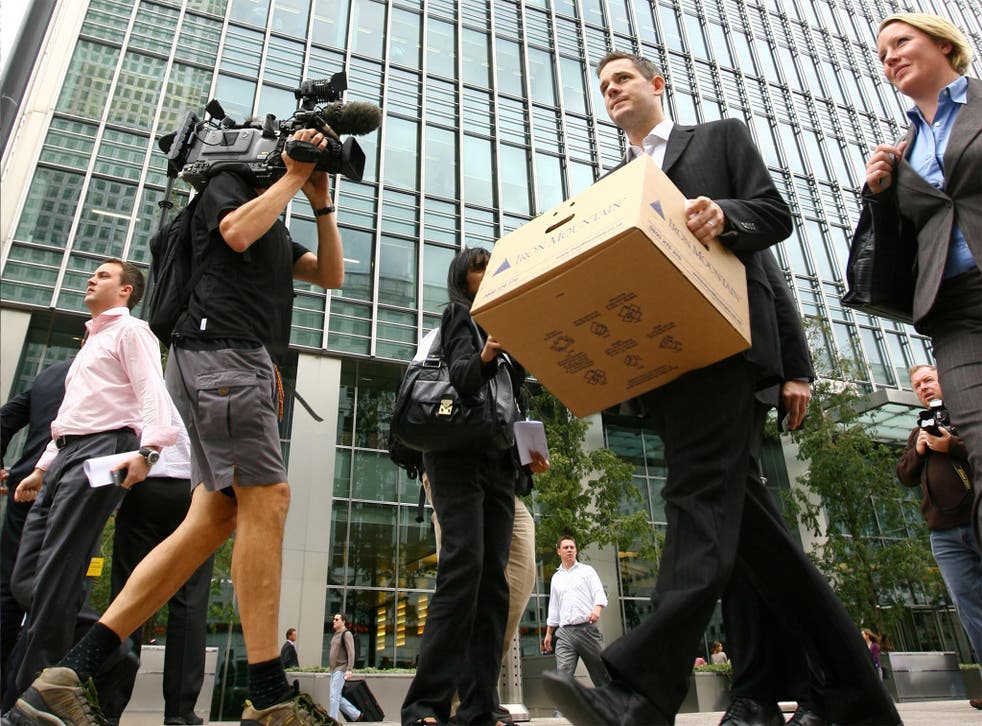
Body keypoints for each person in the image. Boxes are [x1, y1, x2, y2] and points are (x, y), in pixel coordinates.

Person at [541, 52, 900, 726]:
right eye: (602, 85)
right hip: (666, 367)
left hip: (730, 348)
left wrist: (795, 361)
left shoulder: (720, 138)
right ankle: (852, 694)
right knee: (758, 542)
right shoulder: (615, 182)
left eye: (621, 78)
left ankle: (639, 692)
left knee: (696, 503)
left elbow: (771, 223)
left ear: (657, 84)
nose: (611, 90)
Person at [7, 124, 345, 726]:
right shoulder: (226, 183)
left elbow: (330, 274)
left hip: (230, 363)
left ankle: (65, 678)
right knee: (269, 499)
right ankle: (270, 698)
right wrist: (294, 175)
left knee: (212, 519)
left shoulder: (275, 215)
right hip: (225, 356)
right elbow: (237, 232)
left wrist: (319, 199)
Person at [7, 259, 181, 705]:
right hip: (65, 455)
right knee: (26, 580)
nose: (91, 279)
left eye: (103, 276)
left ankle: (30, 700)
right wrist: (41, 469)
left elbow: (152, 393)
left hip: (103, 451)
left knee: (57, 577)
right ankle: (115, 650)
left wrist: (149, 451)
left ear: (125, 291)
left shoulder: (131, 332)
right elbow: (70, 416)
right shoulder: (90, 343)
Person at [400, 247, 547, 726]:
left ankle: (480, 706)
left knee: (493, 586)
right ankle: (426, 707)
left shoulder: (510, 325)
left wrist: (530, 454)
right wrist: (488, 352)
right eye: (477, 269)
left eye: (490, 267)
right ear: (463, 280)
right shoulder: (457, 318)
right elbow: (463, 379)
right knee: (462, 572)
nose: (486, 275)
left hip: (498, 467)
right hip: (455, 461)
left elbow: (514, 405)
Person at [864, 13, 981, 546]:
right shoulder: (903, 150)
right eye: (882, 53)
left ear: (942, 44)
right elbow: (900, 243)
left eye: (901, 42)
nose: (889, 57)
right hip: (953, 310)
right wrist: (881, 194)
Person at [101, 418, 216, 726]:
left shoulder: (154, 385)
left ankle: (109, 706)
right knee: (190, 602)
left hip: (147, 487)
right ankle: (180, 710)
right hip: (195, 493)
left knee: (127, 594)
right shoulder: (211, 387)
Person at [420, 470, 538, 725]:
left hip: (499, 474)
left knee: (520, 574)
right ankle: (456, 704)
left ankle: (476, 696)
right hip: (452, 468)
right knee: (464, 586)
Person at [897, 364, 982, 698]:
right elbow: (904, 475)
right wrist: (919, 451)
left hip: (976, 519)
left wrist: (953, 446)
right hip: (944, 534)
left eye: (928, 380)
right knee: (970, 607)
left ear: (944, 381)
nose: (924, 388)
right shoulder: (918, 432)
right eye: (917, 385)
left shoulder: (968, 416)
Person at [0, 359, 72, 703]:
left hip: (22, 486)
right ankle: (27, 691)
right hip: (66, 490)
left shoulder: (49, 374)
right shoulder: (103, 373)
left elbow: (6, 418)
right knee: (55, 589)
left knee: (9, 588)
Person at [542, 535, 611, 688]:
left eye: (572, 547)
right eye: (566, 547)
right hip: (565, 633)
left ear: (576, 550)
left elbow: (598, 592)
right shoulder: (556, 578)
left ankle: (611, 707)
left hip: (587, 630)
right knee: (563, 675)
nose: (569, 550)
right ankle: (560, 712)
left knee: (601, 674)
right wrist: (548, 633)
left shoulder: (587, 571)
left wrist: (597, 609)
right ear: (558, 551)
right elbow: (554, 607)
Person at [328, 614, 362, 723]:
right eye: (333, 619)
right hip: (333, 670)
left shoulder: (346, 634)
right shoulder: (335, 635)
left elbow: (351, 652)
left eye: (336, 619)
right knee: (336, 696)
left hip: (341, 669)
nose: (334, 621)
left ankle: (332, 721)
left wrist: (349, 669)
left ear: (343, 621)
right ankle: (355, 714)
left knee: (334, 696)